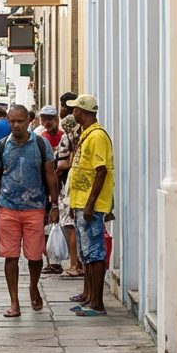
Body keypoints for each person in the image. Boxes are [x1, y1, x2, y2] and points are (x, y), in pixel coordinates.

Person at [0, 105, 58, 317]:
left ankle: (33, 286)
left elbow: (50, 175)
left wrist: (54, 205)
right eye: (12, 121)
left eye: (20, 121)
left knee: (35, 256)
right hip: (8, 206)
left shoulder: (41, 144)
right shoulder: (1, 146)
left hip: (35, 208)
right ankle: (14, 302)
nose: (16, 125)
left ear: (29, 121)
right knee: (10, 256)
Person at [66, 94, 113, 317]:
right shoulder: (86, 134)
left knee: (95, 254)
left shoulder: (97, 137)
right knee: (86, 254)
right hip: (80, 202)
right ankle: (88, 295)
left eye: (75, 109)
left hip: (90, 206)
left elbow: (100, 171)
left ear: (83, 112)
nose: (72, 112)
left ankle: (97, 303)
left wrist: (90, 204)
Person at [54, 94, 85, 278]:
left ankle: (75, 264)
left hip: (69, 186)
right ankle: (79, 263)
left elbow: (63, 164)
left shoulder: (69, 137)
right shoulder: (82, 135)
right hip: (78, 186)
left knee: (70, 226)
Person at [35, 106, 68, 275]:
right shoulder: (41, 139)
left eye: (51, 119)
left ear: (56, 119)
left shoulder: (64, 137)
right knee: (44, 224)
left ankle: (58, 260)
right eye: (44, 119)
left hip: (62, 187)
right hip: (45, 188)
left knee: (61, 224)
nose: (48, 122)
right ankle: (50, 260)